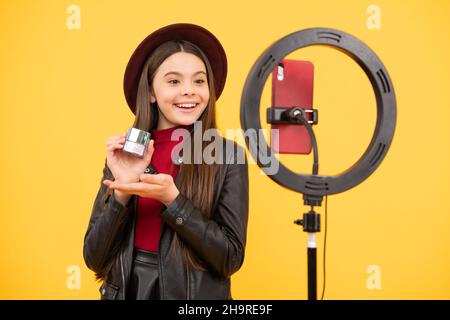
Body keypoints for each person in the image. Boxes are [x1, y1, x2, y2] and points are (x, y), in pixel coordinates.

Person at [83, 23, 249, 300]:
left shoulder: (228, 156)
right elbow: (94, 258)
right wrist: (122, 191)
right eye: (173, 81)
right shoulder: (127, 153)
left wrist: (173, 200)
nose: (189, 91)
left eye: (199, 81)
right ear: (150, 92)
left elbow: (230, 258)